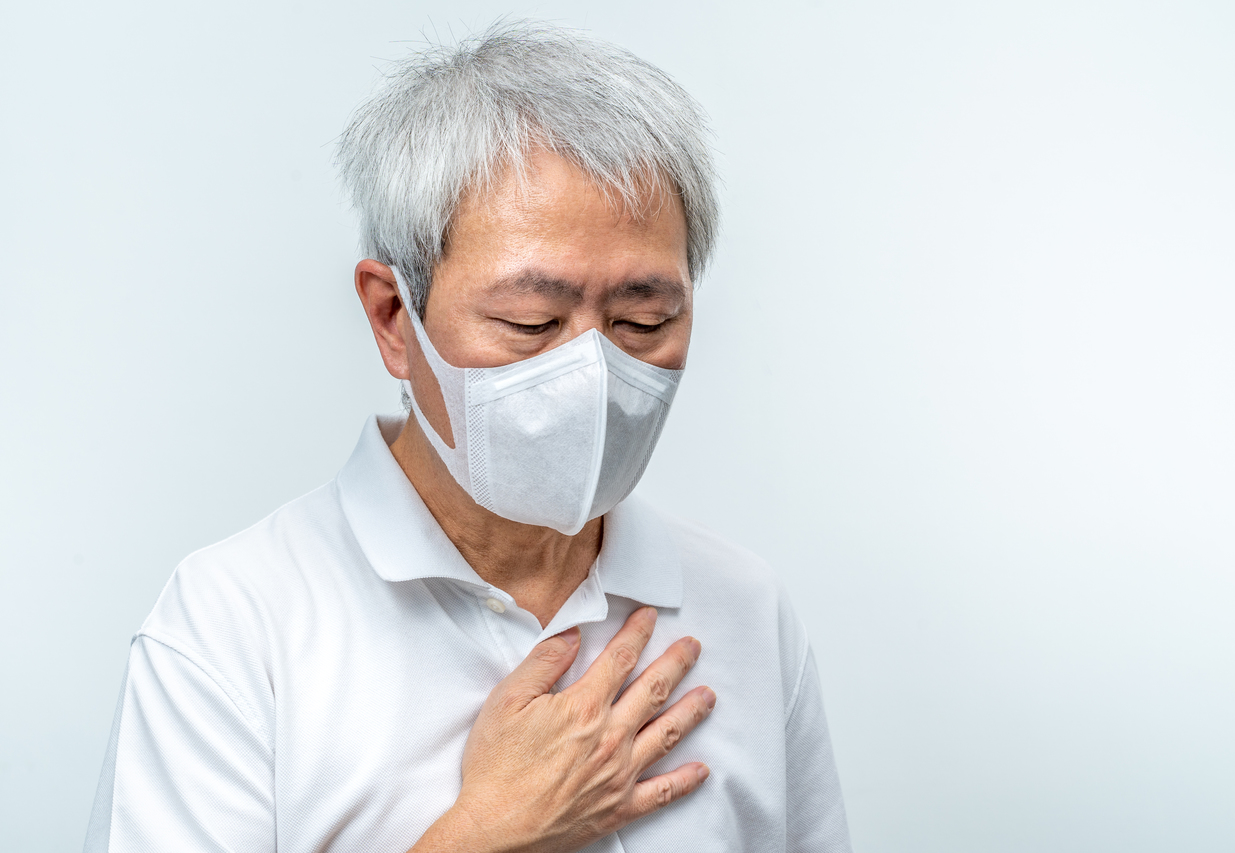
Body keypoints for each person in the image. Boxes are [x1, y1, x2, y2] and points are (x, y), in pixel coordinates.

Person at [84, 21, 851, 853]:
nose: (591, 371)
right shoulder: (235, 625)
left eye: (643, 318)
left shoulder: (745, 607)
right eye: (531, 321)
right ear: (392, 317)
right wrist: (488, 832)